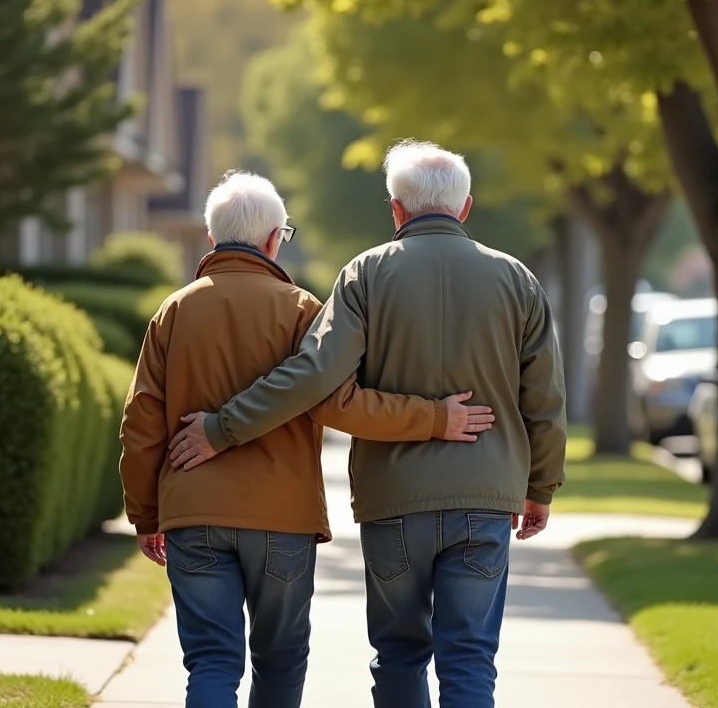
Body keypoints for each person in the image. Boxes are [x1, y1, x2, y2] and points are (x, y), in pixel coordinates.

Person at [171, 142, 567, 708]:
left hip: (394, 500)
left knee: (400, 653)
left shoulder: (365, 274)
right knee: (471, 658)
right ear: (466, 207)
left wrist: (222, 428)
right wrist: (540, 488)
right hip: (486, 496)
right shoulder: (518, 281)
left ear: (396, 209)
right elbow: (546, 402)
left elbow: (317, 381)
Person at [118, 170, 495, 708]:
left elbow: (140, 424)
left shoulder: (174, 311)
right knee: (280, 659)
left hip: (192, 513)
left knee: (211, 661)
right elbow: (339, 402)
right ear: (274, 238)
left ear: (211, 238)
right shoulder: (302, 310)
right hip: (281, 521)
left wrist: (147, 514)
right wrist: (435, 419)